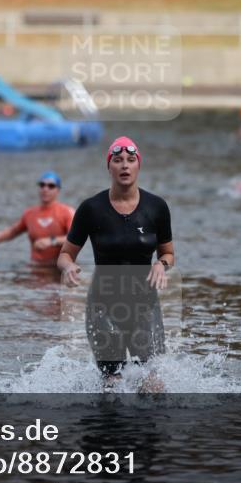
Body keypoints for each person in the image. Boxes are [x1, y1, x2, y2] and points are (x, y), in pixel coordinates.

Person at [57, 137, 174, 385]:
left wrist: (160, 265)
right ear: (109, 166)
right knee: (112, 384)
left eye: (131, 160)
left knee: (153, 382)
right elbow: (65, 254)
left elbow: (168, 254)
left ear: (138, 166)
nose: (124, 165)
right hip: (103, 306)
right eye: (118, 160)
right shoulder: (91, 209)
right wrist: (68, 267)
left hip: (145, 305)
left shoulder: (157, 207)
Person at [0, 172, 75, 266]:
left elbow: (75, 239)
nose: (45, 189)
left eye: (51, 186)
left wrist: (52, 241)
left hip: (59, 268)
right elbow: (12, 231)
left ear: (58, 190)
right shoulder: (29, 214)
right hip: (36, 267)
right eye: (42, 185)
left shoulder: (67, 212)